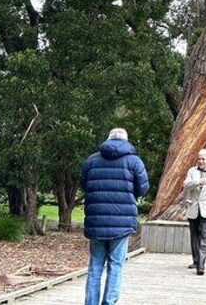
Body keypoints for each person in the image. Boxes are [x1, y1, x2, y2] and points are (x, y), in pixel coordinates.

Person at [81, 128, 149, 305]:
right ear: (126, 141)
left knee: (95, 266)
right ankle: (109, 302)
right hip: (122, 222)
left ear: (108, 139)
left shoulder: (91, 160)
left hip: (96, 221)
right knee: (116, 266)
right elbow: (143, 188)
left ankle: (90, 302)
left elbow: (84, 184)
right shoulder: (134, 162)